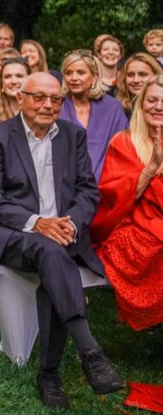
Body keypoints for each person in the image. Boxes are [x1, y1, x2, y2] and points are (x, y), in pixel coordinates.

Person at [0, 73, 124, 409]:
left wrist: (71, 224)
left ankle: (49, 375)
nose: (47, 105)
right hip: (13, 234)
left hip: (62, 234)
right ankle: (90, 353)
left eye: (54, 99)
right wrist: (38, 223)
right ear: (21, 98)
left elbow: (87, 191)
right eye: (38, 97)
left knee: (53, 257)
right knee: (48, 248)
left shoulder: (72, 135)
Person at [91, 76, 163, 331]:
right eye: (152, 100)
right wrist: (153, 166)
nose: (158, 107)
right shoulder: (124, 141)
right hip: (129, 224)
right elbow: (113, 198)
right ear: (141, 104)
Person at [59, 50, 128, 181]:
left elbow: (123, 148)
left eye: (81, 72)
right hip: (66, 185)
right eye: (68, 73)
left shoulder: (112, 107)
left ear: (94, 77)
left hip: (108, 184)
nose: (73, 78)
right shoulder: (57, 107)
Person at [115, 52, 163, 117]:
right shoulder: (115, 107)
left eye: (143, 74)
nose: (136, 80)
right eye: (130, 75)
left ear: (156, 75)